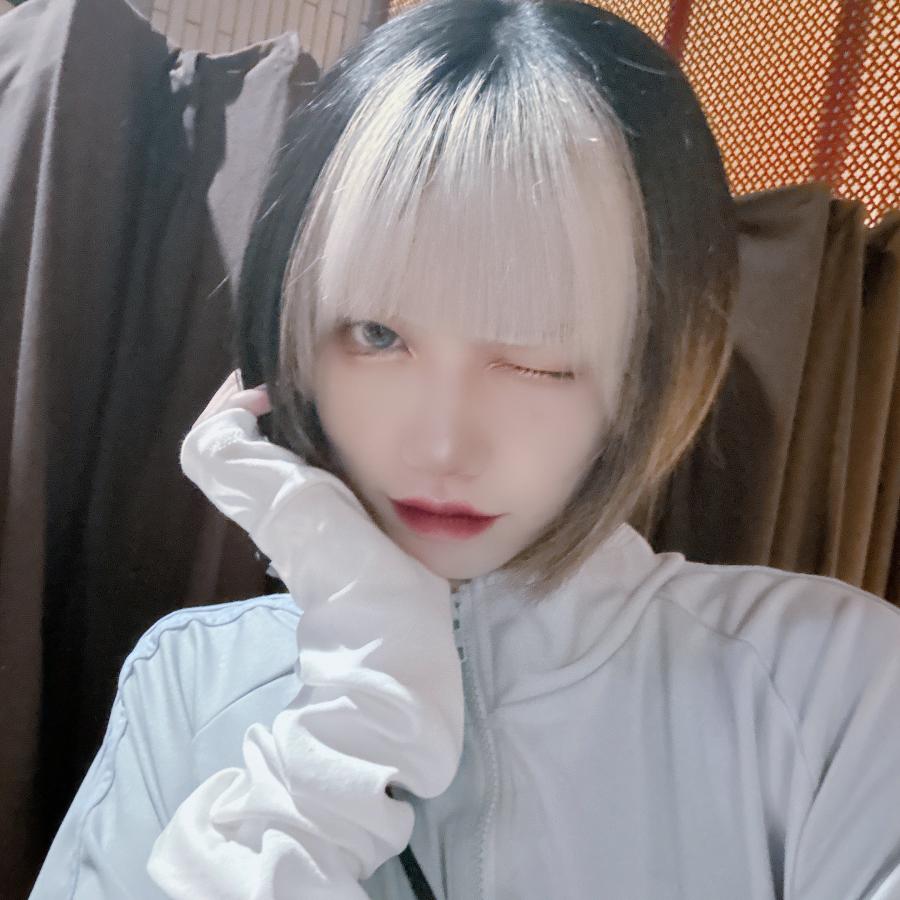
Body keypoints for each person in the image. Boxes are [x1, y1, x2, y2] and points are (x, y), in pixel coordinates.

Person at [29, 0, 900, 897]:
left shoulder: (835, 689)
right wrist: (350, 718)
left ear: (652, 366)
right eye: (376, 335)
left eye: (538, 360)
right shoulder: (191, 680)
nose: (442, 445)